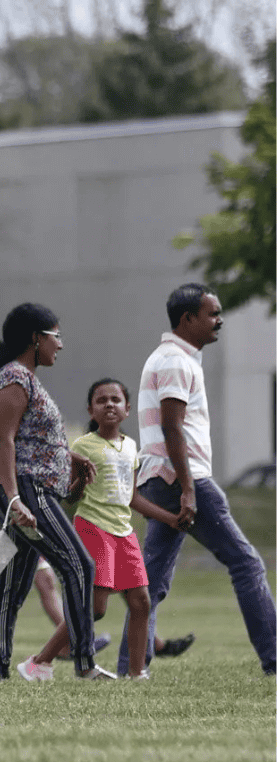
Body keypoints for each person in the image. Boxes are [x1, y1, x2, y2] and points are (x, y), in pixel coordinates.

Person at [116, 283, 276, 677]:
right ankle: (274, 658)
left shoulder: (173, 357)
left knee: (151, 583)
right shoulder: (174, 360)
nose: (219, 320)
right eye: (212, 313)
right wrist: (188, 487)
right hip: (181, 478)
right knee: (246, 563)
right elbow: (173, 427)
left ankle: (129, 667)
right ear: (188, 319)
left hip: (161, 476)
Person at [0, 302, 116, 681]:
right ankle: (84, 664)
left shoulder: (25, 378)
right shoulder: (15, 379)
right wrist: (14, 499)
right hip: (26, 489)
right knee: (79, 565)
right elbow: (4, 442)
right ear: (36, 338)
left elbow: (35, 439)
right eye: (55, 336)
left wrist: (70, 457)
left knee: (14, 581)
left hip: (32, 487)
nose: (60, 345)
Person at [17, 378, 182, 682]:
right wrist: (82, 478)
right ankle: (38, 662)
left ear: (127, 409)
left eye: (115, 400)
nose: (109, 404)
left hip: (124, 532)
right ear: (91, 410)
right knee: (95, 609)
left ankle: (136, 673)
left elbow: (132, 498)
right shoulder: (82, 446)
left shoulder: (131, 446)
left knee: (141, 601)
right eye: (101, 400)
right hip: (93, 528)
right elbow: (69, 494)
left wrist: (170, 519)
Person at [0, 509, 112, 660]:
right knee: (1, 585)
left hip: (31, 519)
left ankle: (72, 641)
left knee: (47, 582)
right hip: (8, 515)